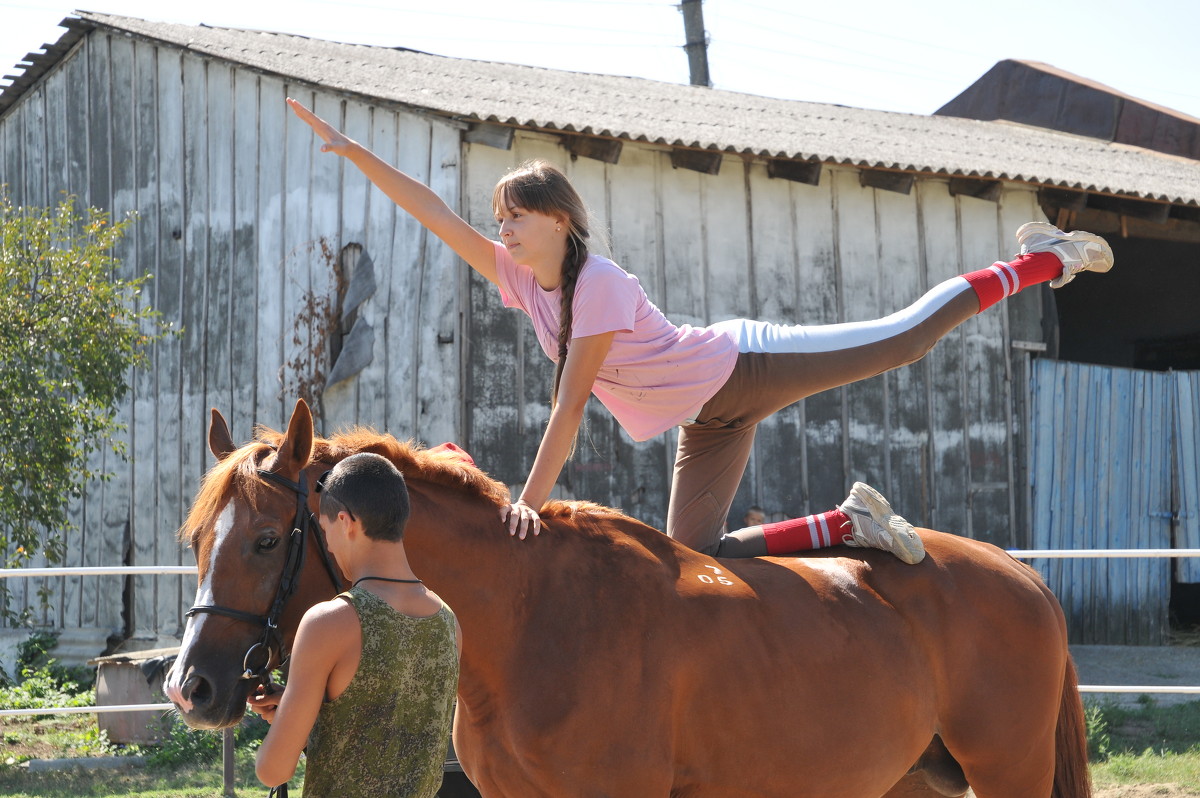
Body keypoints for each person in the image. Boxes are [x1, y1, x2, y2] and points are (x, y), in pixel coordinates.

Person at [287, 98, 1113, 567]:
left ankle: (1041, 262)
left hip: (742, 365)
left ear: (558, 222)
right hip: (703, 419)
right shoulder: (519, 280)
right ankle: (844, 526)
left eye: (515, 216)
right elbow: (434, 214)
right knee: (700, 557)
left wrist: (526, 506)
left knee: (902, 338)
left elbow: (569, 408)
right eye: (499, 217)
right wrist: (352, 148)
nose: (499, 228)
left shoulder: (598, 285)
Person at [248, 452, 460, 798]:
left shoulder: (329, 622)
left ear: (346, 522)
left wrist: (282, 731)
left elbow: (273, 770)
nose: (328, 543)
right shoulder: (448, 622)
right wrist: (307, 714)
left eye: (325, 526)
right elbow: (391, 734)